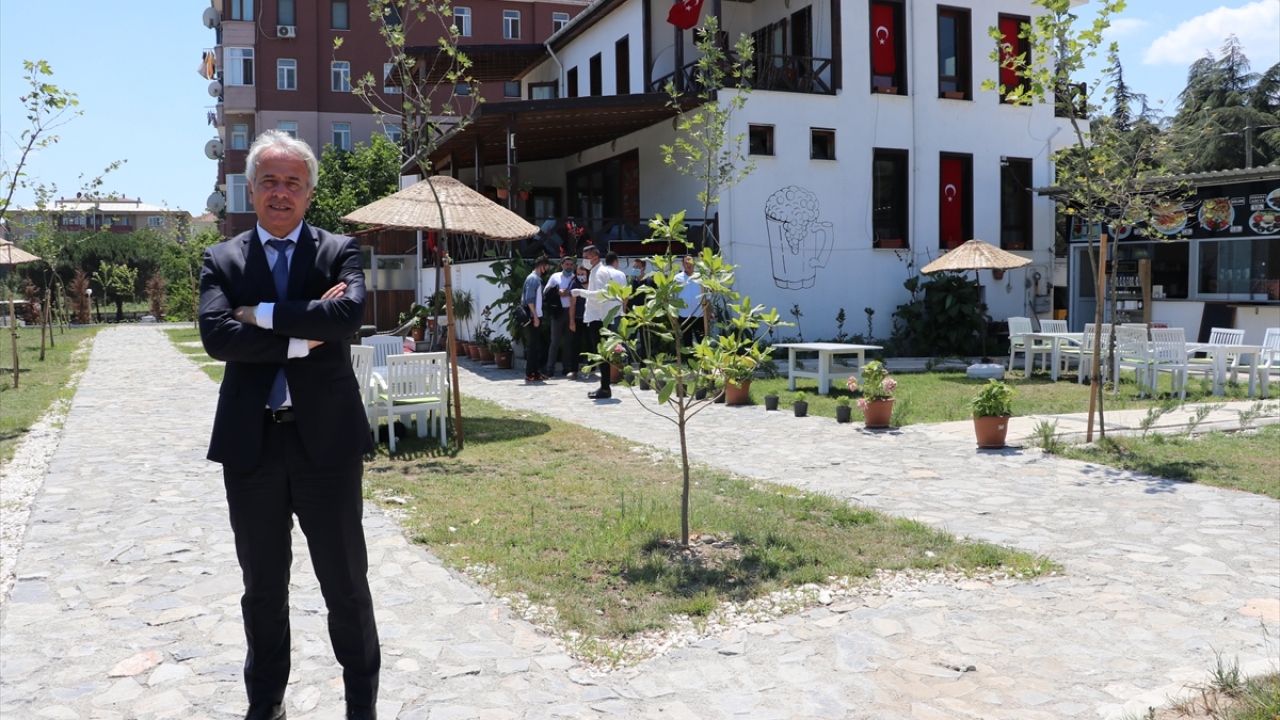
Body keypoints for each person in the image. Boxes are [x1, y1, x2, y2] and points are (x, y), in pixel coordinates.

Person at [198, 130, 380, 720]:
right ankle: (266, 705)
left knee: (346, 586)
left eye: (292, 183)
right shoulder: (222, 258)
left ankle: (361, 707)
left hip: (325, 445)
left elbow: (348, 315)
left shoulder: (339, 251)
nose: (281, 193)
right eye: (269, 182)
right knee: (263, 589)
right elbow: (216, 337)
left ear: (308, 194)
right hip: (252, 449)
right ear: (251, 190)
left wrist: (264, 316)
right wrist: (307, 337)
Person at [572, 248, 627, 400]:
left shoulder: (600, 272)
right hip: (595, 317)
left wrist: (580, 292)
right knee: (601, 355)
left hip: (600, 318)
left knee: (603, 355)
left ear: (595, 258)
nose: (584, 260)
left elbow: (602, 295)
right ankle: (604, 386)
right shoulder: (595, 271)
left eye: (586, 257)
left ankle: (605, 387)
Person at [542, 256, 576, 378]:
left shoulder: (575, 277)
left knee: (569, 341)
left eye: (571, 264)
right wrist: (558, 292)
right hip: (558, 311)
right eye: (567, 264)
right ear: (562, 265)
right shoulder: (555, 277)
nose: (569, 267)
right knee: (555, 341)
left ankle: (566, 368)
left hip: (571, 312)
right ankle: (550, 368)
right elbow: (546, 292)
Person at [522, 255, 551, 382]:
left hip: (537, 314)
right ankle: (530, 373)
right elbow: (529, 299)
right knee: (533, 345)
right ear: (541, 266)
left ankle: (535, 371)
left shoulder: (536, 279)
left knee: (536, 345)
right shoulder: (533, 279)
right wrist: (535, 316)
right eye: (546, 267)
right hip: (533, 314)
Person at [674, 254, 708, 354]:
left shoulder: (701, 277)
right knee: (687, 341)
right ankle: (690, 365)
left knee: (701, 340)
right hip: (684, 315)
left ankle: (705, 366)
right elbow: (674, 297)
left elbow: (707, 296)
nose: (688, 264)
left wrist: (709, 311)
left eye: (691, 262)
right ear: (683, 264)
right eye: (686, 262)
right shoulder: (677, 278)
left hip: (699, 314)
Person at [567, 262, 589, 377]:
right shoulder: (574, 284)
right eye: (579, 274)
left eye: (583, 274)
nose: (581, 276)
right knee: (575, 344)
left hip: (591, 318)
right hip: (578, 318)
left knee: (592, 343)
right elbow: (572, 304)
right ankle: (573, 369)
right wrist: (572, 321)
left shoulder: (593, 283)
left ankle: (593, 367)